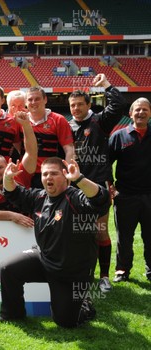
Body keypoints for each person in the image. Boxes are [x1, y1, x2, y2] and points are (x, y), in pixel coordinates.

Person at [0, 157, 110, 328]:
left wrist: (80, 179)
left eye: (54, 173)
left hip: (71, 273)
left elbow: (101, 199)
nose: (48, 177)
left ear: (65, 176)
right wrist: (8, 178)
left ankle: (84, 303)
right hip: (45, 259)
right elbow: (13, 193)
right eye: (45, 174)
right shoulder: (39, 197)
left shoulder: (76, 198)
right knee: (8, 268)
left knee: (65, 322)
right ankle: (12, 314)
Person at [68, 73, 127, 291]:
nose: (75, 109)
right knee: (78, 232)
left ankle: (104, 278)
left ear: (88, 104)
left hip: (99, 187)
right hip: (74, 188)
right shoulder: (67, 126)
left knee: (100, 230)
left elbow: (119, 105)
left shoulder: (100, 122)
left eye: (79, 105)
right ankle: (83, 274)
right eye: (72, 105)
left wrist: (106, 85)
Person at [108, 98, 151, 283]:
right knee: (124, 237)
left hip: (150, 195)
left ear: (150, 113)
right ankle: (122, 270)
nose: (141, 113)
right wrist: (110, 185)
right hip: (125, 195)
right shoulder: (118, 136)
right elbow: (105, 163)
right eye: (137, 110)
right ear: (130, 114)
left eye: (145, 110)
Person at [26, 86, 75, 188]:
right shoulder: (21, 121)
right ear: (26, 102)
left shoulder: (58, 120)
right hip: (26, 174)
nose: (33, 102)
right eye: (30, 99)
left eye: (37, 99)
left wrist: (68, 174)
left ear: (45, 100)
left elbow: (69, 149)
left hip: (50, 174)